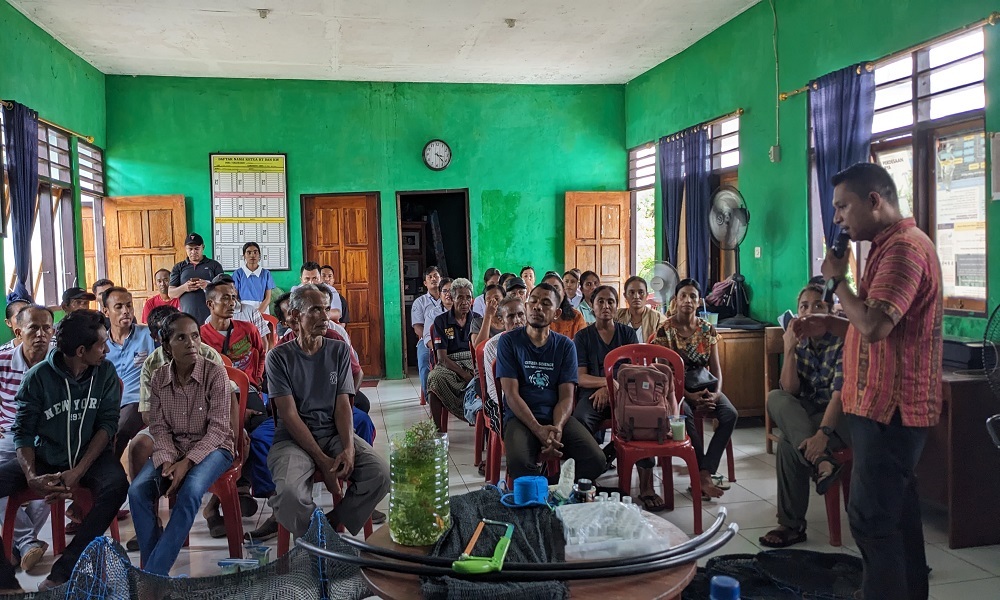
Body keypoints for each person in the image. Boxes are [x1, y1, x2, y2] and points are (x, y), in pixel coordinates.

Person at [793, 163, 942, 600]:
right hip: (875, 403)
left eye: (842, 206)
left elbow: (876, 326)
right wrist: (831, 326)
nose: (837, 218)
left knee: (870, 520)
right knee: (896, 517)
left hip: (891, 408)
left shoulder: (904, 250)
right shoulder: (884, 246)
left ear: (874, 200)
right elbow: (875, 326)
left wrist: (836, 281)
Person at [0, 310, 128, 592]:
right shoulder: (38, 377)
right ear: (81, 351)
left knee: (117, 486)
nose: (106, 350)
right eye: (101, 345)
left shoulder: (104, 371)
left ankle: (65, 569)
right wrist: (32, 476)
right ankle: (5, 582)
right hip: (46, 458)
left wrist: (79, 471)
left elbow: (107, 425)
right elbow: (22, 433)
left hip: (90, 459)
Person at [266, 285, 390, 538]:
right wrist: (323, 460)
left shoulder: (339, 350)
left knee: (381, 474)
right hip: (292, 440)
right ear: (294, 316)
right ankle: (315, 538)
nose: (325, 317)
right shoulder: (278, 357)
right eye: (315, 310)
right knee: (290, 495)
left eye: (325, 309)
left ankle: (329, 528)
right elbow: (289, 415)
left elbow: (343, 404)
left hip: (333, 433)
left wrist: (348, 448)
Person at [128, 312, 235, 576]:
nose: (191, 343)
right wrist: (166, 461)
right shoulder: (160, 377)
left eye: (195, 336)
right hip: (173, 449)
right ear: (166, 346)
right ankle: (157, 574)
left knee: (189, 491)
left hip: (215, 448)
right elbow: (159, 427)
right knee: (138, 492)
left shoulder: (215, 373)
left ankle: (151, 577)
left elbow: (220, 428)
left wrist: (186, 463)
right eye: (181, 338)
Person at [760, 283, 848, 549]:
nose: (809, 313)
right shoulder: (799, 339)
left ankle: (791, 526)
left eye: (818, 306)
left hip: (844, 415)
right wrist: (789, 349)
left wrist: (823, 435)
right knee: (775, 397)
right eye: (804, 307)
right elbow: (790, 389)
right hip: (808, 411)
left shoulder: (845, 341)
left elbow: (839, 396)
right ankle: (822, 462)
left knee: (788, 445)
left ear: (831, 313)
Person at [495, 283, 606, 483]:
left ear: (556, 314)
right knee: (520, 463)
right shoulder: (509, 341)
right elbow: (511, 395)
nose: (538, 307)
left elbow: (566, 397)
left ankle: (552, 487)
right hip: (520, 418)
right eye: (534, 301)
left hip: (555, 417)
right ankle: (540, 490)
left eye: (546, 303)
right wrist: (538, 429)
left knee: (596, 460)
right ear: (527, 306)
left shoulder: (565, 346)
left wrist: (556, 430)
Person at [571, 285, 665, 510]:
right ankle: (589, 477)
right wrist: (605, 383)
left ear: (616, 305)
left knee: (643, 421)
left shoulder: (627, 333)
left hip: (625, 395)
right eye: (600, 302)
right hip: (593, 395)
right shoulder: (583, 337)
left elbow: (632, 373)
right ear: (592, 307)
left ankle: (646, 486)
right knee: (580, 421)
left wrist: (611, 388)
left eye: (610, 302)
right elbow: (581, 377)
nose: (605, 306)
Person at [651, 279, 737, 499]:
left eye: (692, 296)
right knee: (685, 416)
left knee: (730, 414)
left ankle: (705, 471)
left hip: (705, 385)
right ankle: (703, 477)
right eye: (683, 296)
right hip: (675, 389)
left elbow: (716, 368)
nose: (688, 301)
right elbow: (664, 373)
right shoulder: (665, 329)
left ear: (699, 301)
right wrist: (688, 395)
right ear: (676, 300)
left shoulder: (707, 328)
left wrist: (716, 394)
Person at [0, 306, 53, 572]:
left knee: (50, 478)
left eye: (47, 328)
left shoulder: (61, 363)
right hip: (9, 435)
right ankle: (26, 541)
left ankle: (20, 542)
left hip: (46, 439)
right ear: (19, 332)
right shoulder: (3, 361)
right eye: (34, 328)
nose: (41, 335)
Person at [102, 287, 156, 459]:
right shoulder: (100, 342)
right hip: (107, 403)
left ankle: (110, 470)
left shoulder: (148, 335)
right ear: (106, 311)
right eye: (118, 307)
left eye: (129, 306)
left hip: (138, 402)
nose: (126, 311)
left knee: (118, 431)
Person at [427, 278, 483, 429]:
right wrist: (465, 375)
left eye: (468, 297)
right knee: (434, 378)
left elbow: (481, 350)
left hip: (473, 362)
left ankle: (481, 422)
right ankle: (439, 431)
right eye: (460, 297)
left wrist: (473, 371)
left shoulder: (478, 319)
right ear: (452, 298)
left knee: (485, 378)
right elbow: (442, 358)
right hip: (450, 364)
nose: (465, 302)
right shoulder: (441, 321)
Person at [480, 296, 528, 444]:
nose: (517, 321)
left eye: (520, 315)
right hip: (502, 402)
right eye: (511, 316)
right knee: (516, 429)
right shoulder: (492, 347)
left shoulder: (536, 341)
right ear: (502, 320)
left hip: (531, 399)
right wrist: (518, 404)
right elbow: (494, 391)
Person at [168, 233, 225, 324]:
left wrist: (208, 286)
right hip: (187, 317)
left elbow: (224, 291)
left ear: (203, 247)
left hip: (212, 317)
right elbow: (171, 294)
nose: (193, 252)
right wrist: (185, 287)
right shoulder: (178, 267)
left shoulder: (214, 265)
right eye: (190, 249)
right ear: (185, 249)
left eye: (196, 248)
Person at [209, 274, 271, 353]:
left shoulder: (252, 312)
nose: (228, 293)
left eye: (231, 288)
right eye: (223, 291)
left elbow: (263, 343)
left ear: (235, 290)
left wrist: (259, 364)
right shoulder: (210, 320)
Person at [411, 267, 442, 395]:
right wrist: (432, 339)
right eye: (430, 277)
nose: (434, 279)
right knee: (424, 361)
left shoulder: (448, 298)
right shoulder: (420, 302)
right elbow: (417, 327)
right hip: (427, 341)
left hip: (449, 338)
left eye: (436, 276)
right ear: (425, 283)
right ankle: (430, 397)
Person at [617, 276, 667, 343]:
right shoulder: (617, 316)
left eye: (641, 292)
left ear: (646, 295)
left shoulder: (658, 319)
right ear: (625, 295)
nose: (636, 296)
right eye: (632, 292)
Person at [231, 242, 275, 315]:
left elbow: (268, 298)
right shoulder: (238, 274)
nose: (252, 255)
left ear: (259, 255)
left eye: (255, 252)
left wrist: (258, 312)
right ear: (244, 256)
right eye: (249, 252)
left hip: (262, 309)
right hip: (242, 309)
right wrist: (245, 312)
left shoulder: (266, 274)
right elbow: (235, 296)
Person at [541, 272, 587, 340]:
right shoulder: (534, 316)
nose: (552, 293)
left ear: (564, 292)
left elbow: (583, 345)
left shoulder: (576, 317)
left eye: (556, 288)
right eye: (547, 289)